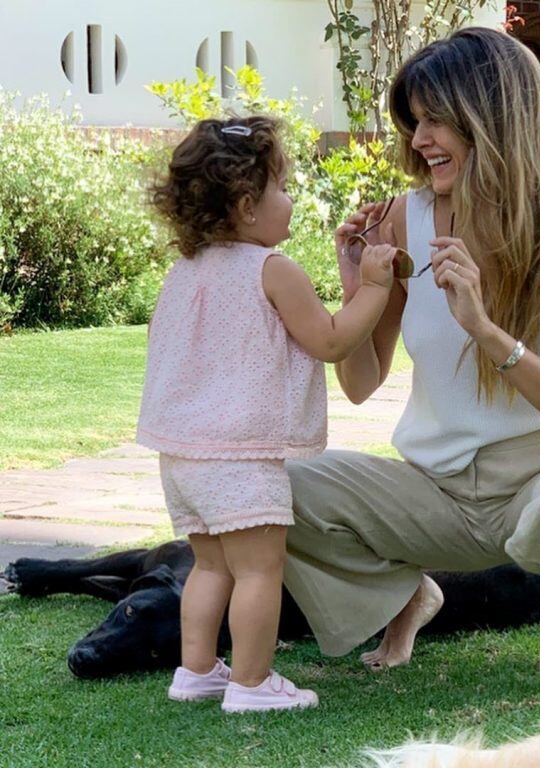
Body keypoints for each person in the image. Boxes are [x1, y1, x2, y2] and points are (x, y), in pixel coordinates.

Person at [282, 27, 540, 677]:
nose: (419, 141)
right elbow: (362, 383)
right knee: (272, 488)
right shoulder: (401, 219)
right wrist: (354, 284)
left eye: (436, 121)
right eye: (414, 122)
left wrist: (485, 329)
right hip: (431, 493)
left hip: (537, 486)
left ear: (494, 119)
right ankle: (406, 596)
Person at [136, 115, 395, 712]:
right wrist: (375, 289)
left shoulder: (185, 273)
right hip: (240, 456)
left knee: (210, 565)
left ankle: (196, 670)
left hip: (183, 456)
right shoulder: (273, 271)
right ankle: (252, 684)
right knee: (259, 569)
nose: (292, 198)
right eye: (282, 186)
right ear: (248, 206)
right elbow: (330, 341)